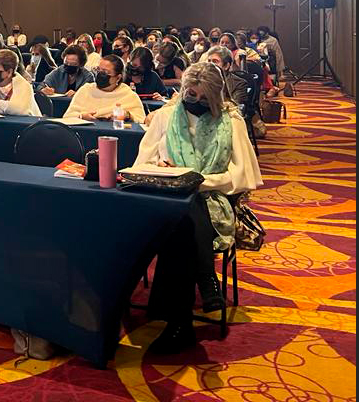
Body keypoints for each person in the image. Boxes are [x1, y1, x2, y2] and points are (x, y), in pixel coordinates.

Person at [133, 62, 262, 352]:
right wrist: (162, 168)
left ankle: (178, 321)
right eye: (192, 95)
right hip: (167, 197)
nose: (196, 102)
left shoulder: (231, 121)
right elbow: (142, 163)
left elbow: (243, 175)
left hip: (213, 200)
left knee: (184, 221)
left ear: (216, 97)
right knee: (182, 217)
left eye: (204, 98)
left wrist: (201, 181)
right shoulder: (166, 116)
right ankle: (205, 275)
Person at [64, 55, 145, 123]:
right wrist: (81, 116)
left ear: (118, 78)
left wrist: (127, 116)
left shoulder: (128, 95)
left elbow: (141, 120)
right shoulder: (86, 90)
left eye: (105, 72)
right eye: (98, 69)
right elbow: (67, 116)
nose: (100, 74)